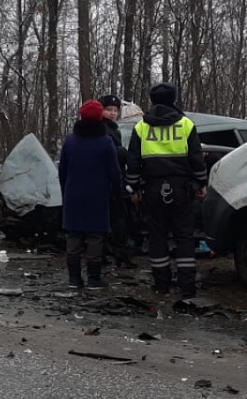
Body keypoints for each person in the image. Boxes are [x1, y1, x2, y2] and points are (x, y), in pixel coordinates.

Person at [126, 83, 207, 298]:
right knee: (184, 237)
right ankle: (187, 286)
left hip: (152, 189)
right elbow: (197, 157)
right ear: (174, 99)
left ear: (152, 100)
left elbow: (133, 161)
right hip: (182, 188)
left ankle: (162, 284)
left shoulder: (141, 127)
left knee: (157, 236)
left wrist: (132, 187)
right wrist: (201, 183)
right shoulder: (186, 124)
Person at [59, 99, 123, 289]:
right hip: (98, 195)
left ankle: (73, 278)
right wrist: (117, 193)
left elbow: (62, 170)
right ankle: (94, 279)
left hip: (73, 195)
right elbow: (114, 172)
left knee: (74, 235)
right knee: (95, 236)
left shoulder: (70, 141)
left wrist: (66, 191)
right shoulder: (105, 142)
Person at [98, 94, 133, 267]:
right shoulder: (102, 130)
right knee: (117, 220)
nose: (112, 113)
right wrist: (123, 154)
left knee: (114, 219)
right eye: (108, 110)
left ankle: (107, 254)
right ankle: (118, 256)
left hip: (114, 179)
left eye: (115, 110)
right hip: (110, 181)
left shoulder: (113, 129)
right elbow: (110, 154)